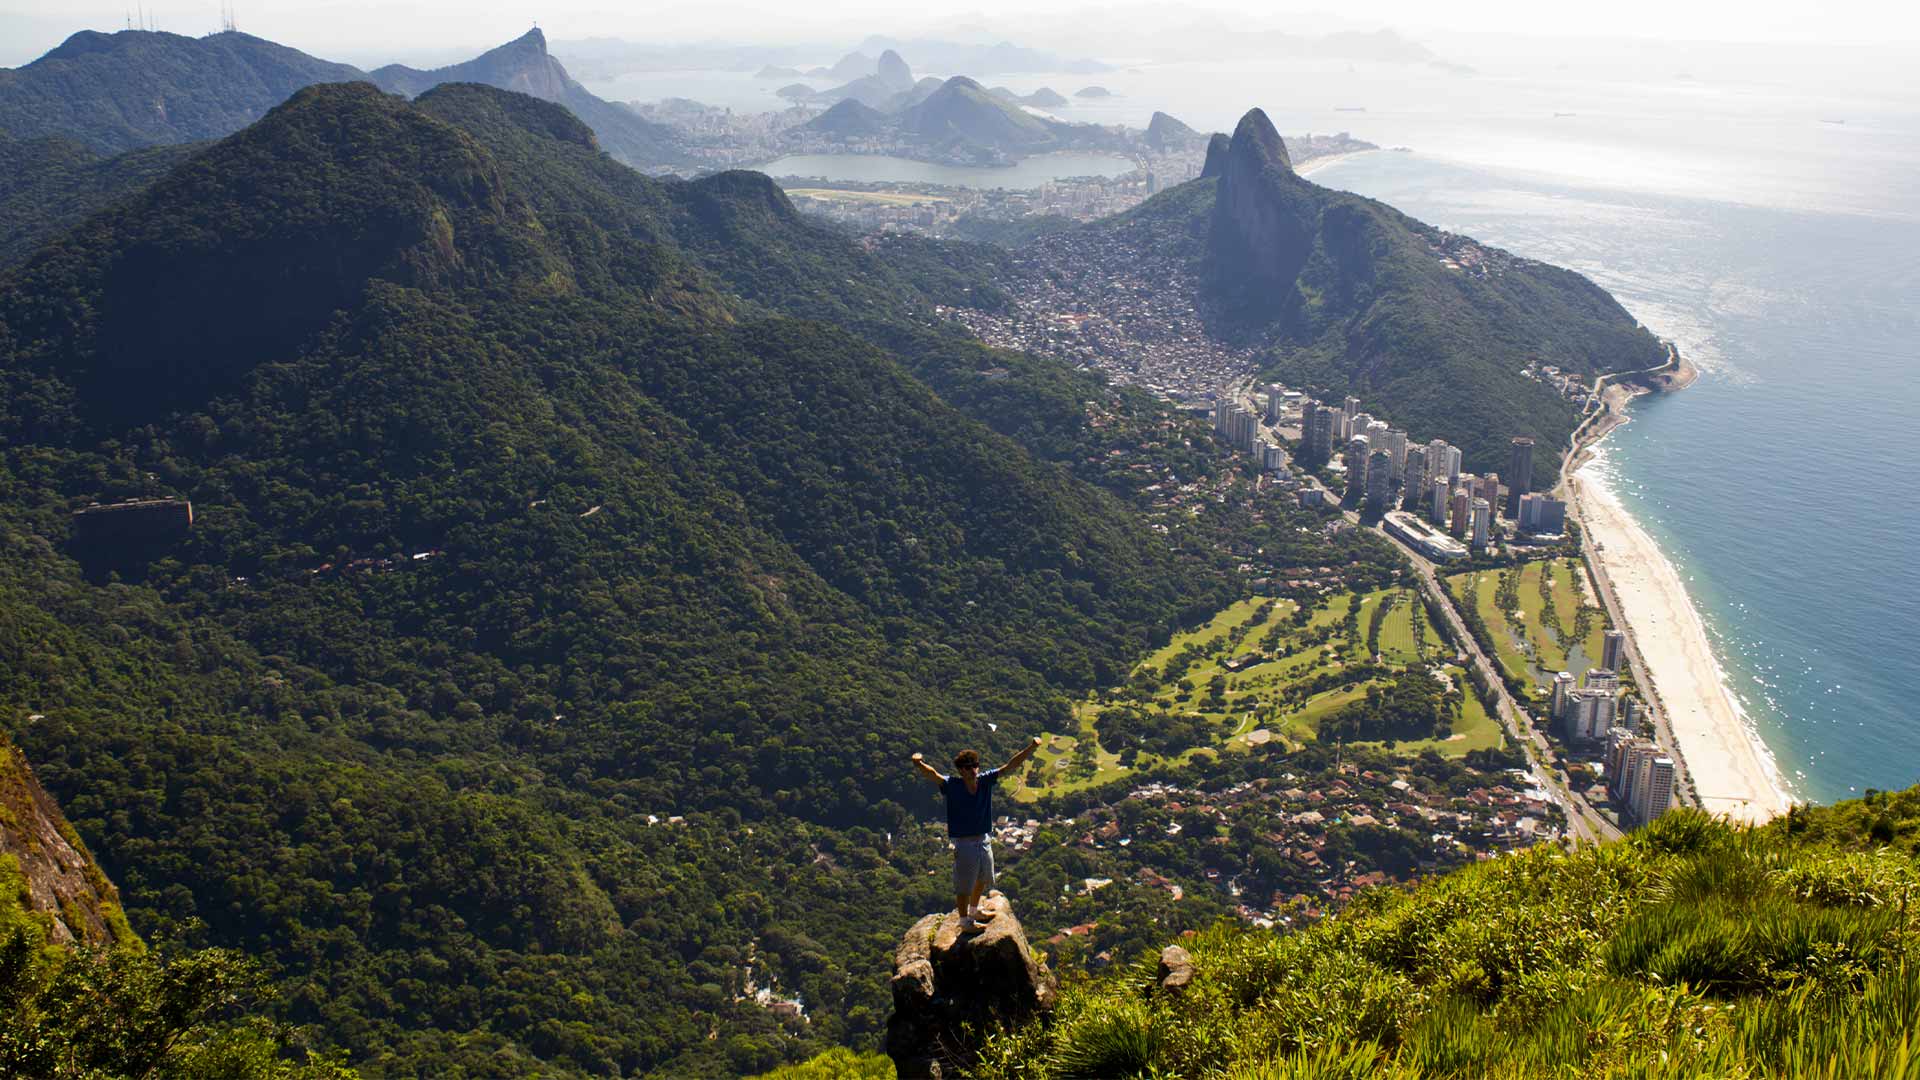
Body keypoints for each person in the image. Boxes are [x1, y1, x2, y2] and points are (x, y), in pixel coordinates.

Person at [911, 737, 1042, 929]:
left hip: (983, 839)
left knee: (983, 878)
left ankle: (974, 910)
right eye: (969, 767)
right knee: (964, 885)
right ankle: (964, 921)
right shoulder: (953, 785)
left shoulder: (985, 780)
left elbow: (1010, 766)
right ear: (961, 770)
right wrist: (918, 763)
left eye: (975, 765)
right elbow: (933, 775)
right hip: (964, 843)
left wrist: (1031, 747)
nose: (973, 769)